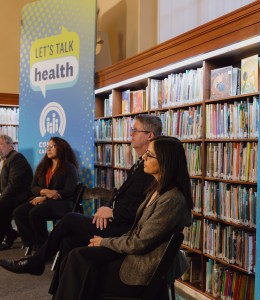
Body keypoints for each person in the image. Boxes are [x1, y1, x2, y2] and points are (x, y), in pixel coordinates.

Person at [0, 115, 162, 279]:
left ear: (149, 135)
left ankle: (36, 262)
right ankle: (59, 286)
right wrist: (109, 208)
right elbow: (34, 186)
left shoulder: (152, 169)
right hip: (114, 218)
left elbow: (143, 208)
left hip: (121, 228)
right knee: (67, 240)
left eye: (135, 130)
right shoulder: (140, 164)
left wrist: (113, 213)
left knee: (70, 219)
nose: (131, 134)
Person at [52, 136, 192, 299]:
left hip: (140, 268)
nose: (144, 157)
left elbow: (139, 242)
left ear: (166, 161)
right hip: (134, 255)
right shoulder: (157, 189)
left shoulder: (172, 199)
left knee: (80, 264)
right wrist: (104, 242)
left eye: (150, 155)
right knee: (76, 255)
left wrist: (104, 242)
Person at [12, 137, 79, 250]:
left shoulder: (69, 167)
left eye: (52, 146)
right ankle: (31, 243)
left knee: (35, 213)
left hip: (61, 203)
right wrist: (44, 192)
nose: (48, 149)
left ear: (61, 148)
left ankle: (42, 247)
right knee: (18, 212)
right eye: (47, 147)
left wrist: (45, 198)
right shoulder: (43, 166)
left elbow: (69, 191)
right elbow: (33, 187)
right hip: (42, 200)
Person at [0, 134, 33, 250]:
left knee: (1, 206)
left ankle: (10, 235)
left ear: (10, 145)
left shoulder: (16, 158)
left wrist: (2, 197)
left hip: (21, 197)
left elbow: (14, 184)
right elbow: (4, 184)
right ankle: (10, 234)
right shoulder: (7, 159)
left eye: (0, 144)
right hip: (11, 197)